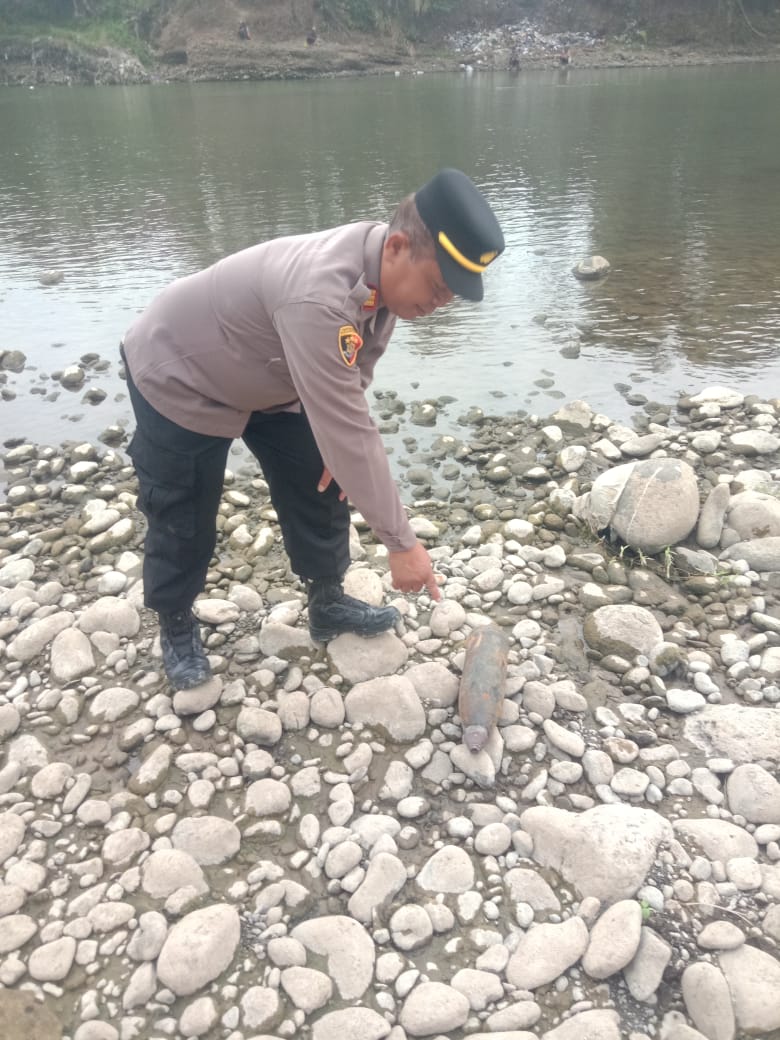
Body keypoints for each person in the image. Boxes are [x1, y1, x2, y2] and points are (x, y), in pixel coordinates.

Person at [120, 169, 504, 690]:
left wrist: (338, 454)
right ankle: (176, 624)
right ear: (396, 247)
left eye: (451, 296)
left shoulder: (383, 282)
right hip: (183, 373)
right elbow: (349, 425)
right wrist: (401, 543)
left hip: (275, 374)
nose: (440, 305)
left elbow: (356, 372)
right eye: (438, 288)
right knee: (182, 510)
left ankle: (326, 604)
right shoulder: (321, 296)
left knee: (323, 477)